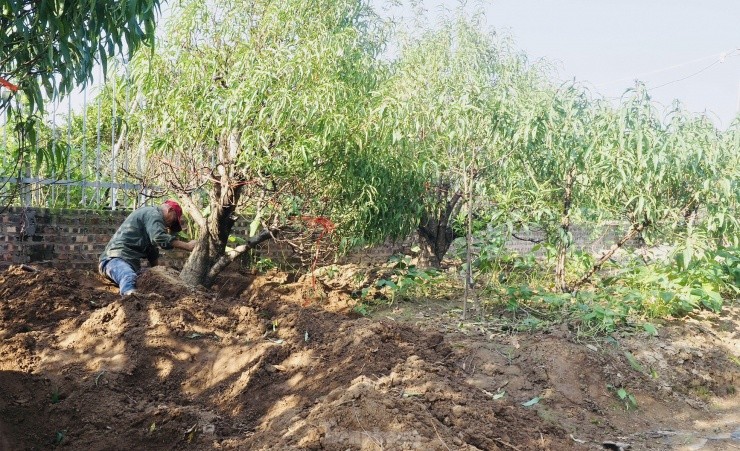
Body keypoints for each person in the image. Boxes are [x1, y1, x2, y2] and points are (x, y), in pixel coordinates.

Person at [99, 200, 197, 296]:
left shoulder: (151, 219)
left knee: (144, 275)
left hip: (125, 264)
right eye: (174, 220)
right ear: (170, 210)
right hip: (113, 260)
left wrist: (157, 271)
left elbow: (152, 251)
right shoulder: (153, 214)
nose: (170, 225)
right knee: (129, 276)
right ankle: (130, 298)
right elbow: (158, 237)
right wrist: (187, 246)